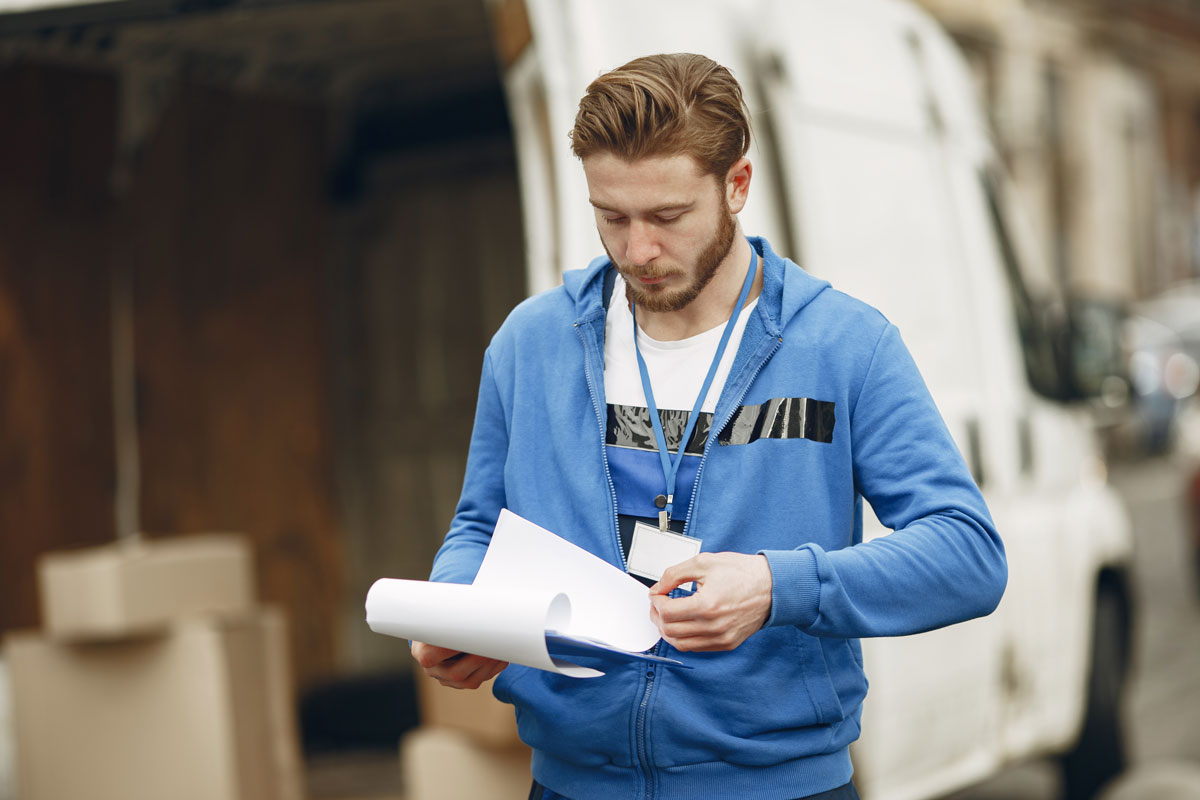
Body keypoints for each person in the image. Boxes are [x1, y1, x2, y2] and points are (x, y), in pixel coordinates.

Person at [411, 52, 1007, 800]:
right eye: (611, 217)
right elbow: (479, 527)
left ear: (737, 185)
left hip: (780, 787)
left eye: (668, 217)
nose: (638, 250)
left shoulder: (846, 346)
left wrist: (774, 586)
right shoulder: (530, 344)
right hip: (571, 785)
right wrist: (461, 608)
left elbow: (967, 553)